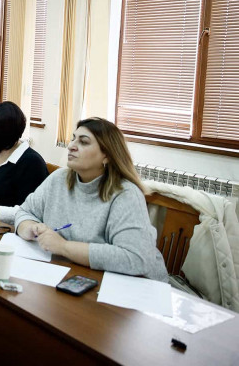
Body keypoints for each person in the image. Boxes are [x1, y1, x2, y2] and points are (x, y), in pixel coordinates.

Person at [15, 117, 168, 282]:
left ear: (107, 156)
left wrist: (63, 247)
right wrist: (30, 228)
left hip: (136, 286)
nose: (71, 146)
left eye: (83, 142)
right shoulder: (59, 178)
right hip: (78, 275)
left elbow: (136, 259)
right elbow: (25, 212)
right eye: (73, 139)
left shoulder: (126, 194)